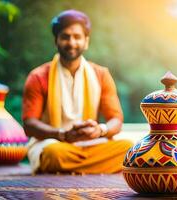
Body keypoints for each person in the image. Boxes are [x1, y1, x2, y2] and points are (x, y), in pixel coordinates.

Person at [22, 10, 133, 174]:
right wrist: (62, 134)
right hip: (55, 143)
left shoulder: (101, 74)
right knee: (53, 154)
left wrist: (99, 130)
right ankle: (93, 168)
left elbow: (116, 120)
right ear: (56, 40)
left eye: (77, 37)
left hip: (92, 143)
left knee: (128, 148)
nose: (71, 42)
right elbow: (29, 124)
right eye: (65, 37)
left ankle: (71, 169)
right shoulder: (38, 76)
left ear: (86, 41)